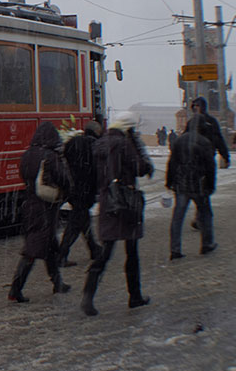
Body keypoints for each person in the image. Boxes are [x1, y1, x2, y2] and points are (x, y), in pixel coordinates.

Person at [80, 112, 153, 316]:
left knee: (105, 251)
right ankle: (135, 296)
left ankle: (88, 294)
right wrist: (138, 147)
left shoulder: (101, 144)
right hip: (126, 201)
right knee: (132, 252)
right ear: (129, 128)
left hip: (107, 202)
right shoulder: (125, 144)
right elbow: (140, 168)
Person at [8, 122, 71, 303]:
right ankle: (15, 289)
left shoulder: (27, 155)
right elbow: (63, 179)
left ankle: (57, 283)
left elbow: (24, 175)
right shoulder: (50, 156)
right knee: (33, 248)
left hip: (30, 204)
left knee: (48, 245)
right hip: (45, 207)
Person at [166, 114, 217, 260]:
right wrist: (211, 185)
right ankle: (206, 244)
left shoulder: (179, 141)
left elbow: (172, 163)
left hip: (182, 184)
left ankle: (175, 249)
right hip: (200, 185)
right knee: (205, 214)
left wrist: (169, 182)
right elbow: (210, 167)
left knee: (178, 217)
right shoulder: (204, 142)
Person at [58, 121, 103, 268]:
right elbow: (98, 169)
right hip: (87, 189)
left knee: (82, 219)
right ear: (96, 131)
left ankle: (94, 249)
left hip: (72, 189)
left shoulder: (72, 142)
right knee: (75, 223)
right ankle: (61, 255)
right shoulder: (94, 144)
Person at [189, 96, 230, 168]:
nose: (196, 108)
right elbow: (185, 138)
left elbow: (218, 139)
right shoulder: (191, 122)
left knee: (208, 177)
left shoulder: (211, 121)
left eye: (198, 105)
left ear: (203, 107)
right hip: (193, 156)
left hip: (208, 155)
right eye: (194, 106)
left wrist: (225, 156)